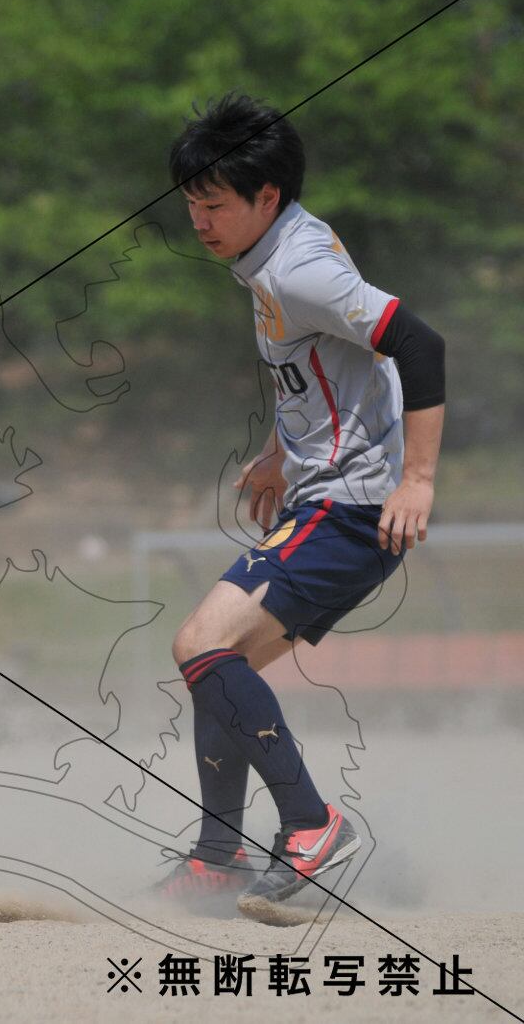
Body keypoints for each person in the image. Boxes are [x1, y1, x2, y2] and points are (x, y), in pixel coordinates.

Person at [155, 95, 445, 922]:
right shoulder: (274, 253)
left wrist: (418, 479)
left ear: (267, 197)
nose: (199, 220)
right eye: (191, 202)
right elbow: (336, 368)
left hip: (353, 509)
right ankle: (218, 858)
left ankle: (313, 825)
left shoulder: (297, 271)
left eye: (215, 203)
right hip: (330, 497)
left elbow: (419, 344)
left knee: (200, 645)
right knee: (219, 670)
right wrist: (284, 450)